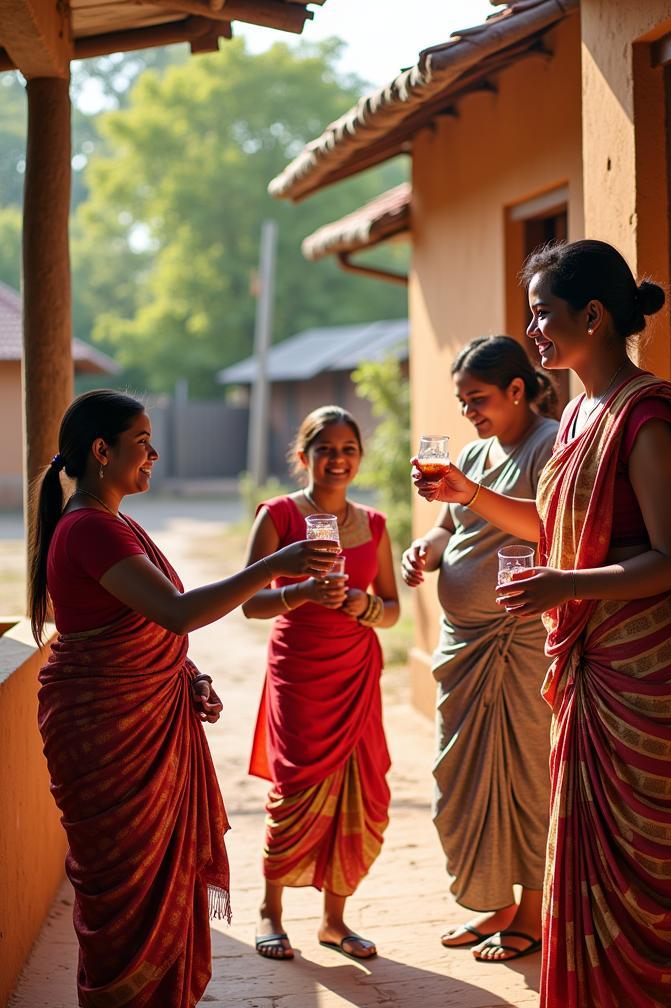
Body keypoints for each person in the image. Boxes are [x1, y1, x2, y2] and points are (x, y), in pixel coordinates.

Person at [413, 240, 671, 1007]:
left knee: (657, 881)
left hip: (651, 689)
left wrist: (562, 585)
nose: (534, 329)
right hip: (598, 678)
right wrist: (464, 493)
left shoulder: (644, 416)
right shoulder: (579, 411)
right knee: (588, 875)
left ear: (595, 315)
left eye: (544, 313)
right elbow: (551, 521)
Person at [31, 390, 337, 1008]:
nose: (154, 454)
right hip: (107, 734)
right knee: (123, 897)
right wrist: (276, 563)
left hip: (139, 718)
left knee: (152, 890)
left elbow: (140, 624)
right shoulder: (89, 528)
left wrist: (185, 674)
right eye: (141, 442)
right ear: (101, 450)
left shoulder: (113, 521)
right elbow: (176, 612)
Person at [401, 336, 558, 963]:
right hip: (463, 645)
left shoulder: (550, 445)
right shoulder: (472, 452)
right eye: (463, 401)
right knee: (460, 777)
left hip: (518, 641)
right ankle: (495, 905)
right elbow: (449, 526)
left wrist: (466, 495)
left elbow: (550, 523)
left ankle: (534, 912)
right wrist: (427, 549)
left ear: (517, 390)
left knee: (526, 773)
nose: (469, 412)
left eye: (480, 399)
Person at [242, 406, 400, 963]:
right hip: (301, 671)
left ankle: (335, 921)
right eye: (326, 449)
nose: (338, 459)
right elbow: (248, 602)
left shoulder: (374, 524)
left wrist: (364, 605)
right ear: (303, 455)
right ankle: (271, 911)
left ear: (359, 456)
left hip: (356, 673)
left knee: (366, 794)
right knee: (295, 790)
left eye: (348, 449)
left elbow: (393, 609)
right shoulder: (280, 515)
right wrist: (301, 593)